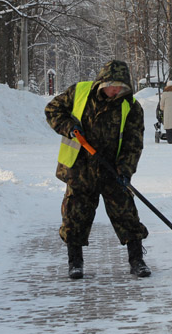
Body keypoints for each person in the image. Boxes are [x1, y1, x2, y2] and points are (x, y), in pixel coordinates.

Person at [45, 60, 151, 279]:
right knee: (74, 216)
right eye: (112, 85)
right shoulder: (79, 92)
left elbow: (134, 143)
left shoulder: (131, 107)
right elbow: (53, 109)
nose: (115, 90)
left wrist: (125, 170)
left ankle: (137, 260)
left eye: (121, 87)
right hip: (80, 168)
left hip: (112, 169)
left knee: (126, 214)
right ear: (102, 82)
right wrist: (69, 128)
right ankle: (75, 262)